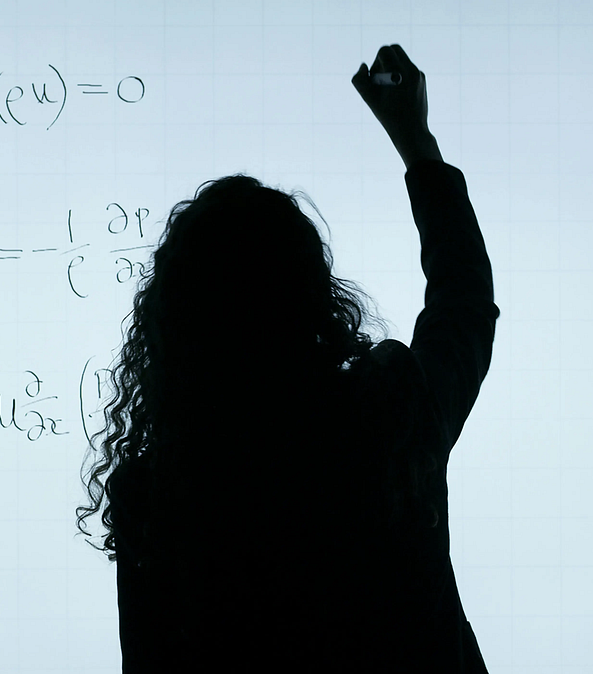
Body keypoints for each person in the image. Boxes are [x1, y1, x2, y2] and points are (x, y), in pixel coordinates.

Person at [76, 44, 499, 673]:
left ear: (173, 328)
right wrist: (417, 145)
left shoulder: (156, 499)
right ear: (315, 299)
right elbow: (462, 305)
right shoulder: (388, 418)